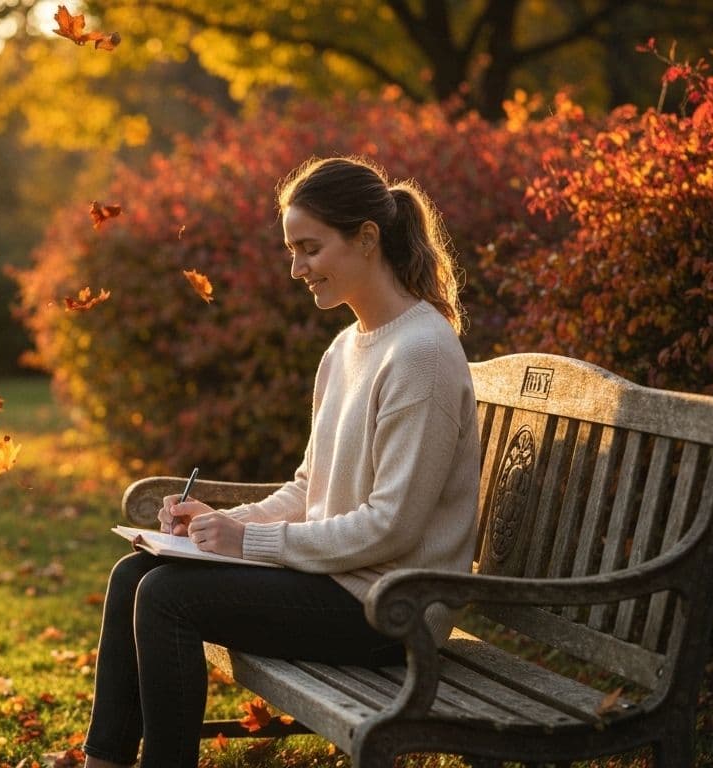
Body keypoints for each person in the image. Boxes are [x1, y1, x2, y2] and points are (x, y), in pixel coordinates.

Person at [81, 156, 482, 768]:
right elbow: (307, 486)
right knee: (133, 576)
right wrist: (217, 524)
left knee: (166, 597)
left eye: (310, 249)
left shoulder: (421, 353)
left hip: (392, 610)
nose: (297, 269)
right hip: (340, 585)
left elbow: (392, 526)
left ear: (367, 238)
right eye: (292, 250)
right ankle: (103, 761)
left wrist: (251, 541)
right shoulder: (346, 346)